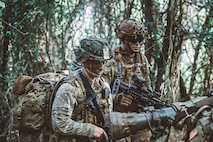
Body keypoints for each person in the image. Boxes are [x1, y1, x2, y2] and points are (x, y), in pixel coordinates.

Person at [51, 36, 114, 142]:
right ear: (84, 60)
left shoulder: (104, 86)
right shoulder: (69, 88)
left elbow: (107, 117)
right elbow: (59, 123)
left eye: (103, 62)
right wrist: (90, 130)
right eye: (97, 62)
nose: (101, 67)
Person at [102, 18, 153, 142]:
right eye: (133, 40)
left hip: (139, 117)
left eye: (140, 40)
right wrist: (117, 98)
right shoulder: (112, 63)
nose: (138, 44)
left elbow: (147, 86)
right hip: (119, 119)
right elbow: (100, 94)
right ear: (124, 39)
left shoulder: (142, 60)